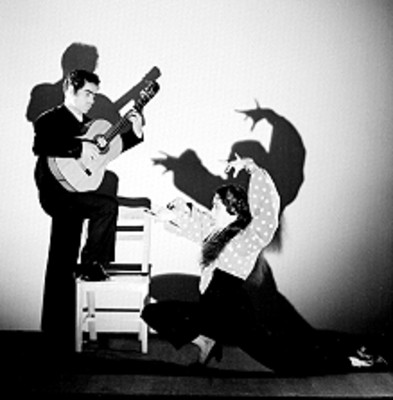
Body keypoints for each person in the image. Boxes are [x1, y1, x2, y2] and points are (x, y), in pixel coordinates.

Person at [142, 154, 388, 374]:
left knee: (285, 362)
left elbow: (267, 213)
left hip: (233, 313)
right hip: (212, 311)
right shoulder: (215, 232)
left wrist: (252, 168)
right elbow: (194, 220)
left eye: (217, 204)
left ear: (234, 212)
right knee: (154, 312)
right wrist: (168, 214)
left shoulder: (247, 238)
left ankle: (352, 362)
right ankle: (206, 341)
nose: (212, 207)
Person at [32, 69, 144, 351]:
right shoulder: (51, 119)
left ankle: (61, 333)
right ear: (70, 88)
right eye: (87, 94)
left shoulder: (91, 125)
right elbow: (41, 145)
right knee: (104, 209)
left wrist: (136, 133)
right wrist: (76, 149)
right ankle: (93, 264)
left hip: (78, 189)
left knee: (62, 259)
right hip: (57, 193)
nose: (92, 100)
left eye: (94, 94)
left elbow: (108, 149)